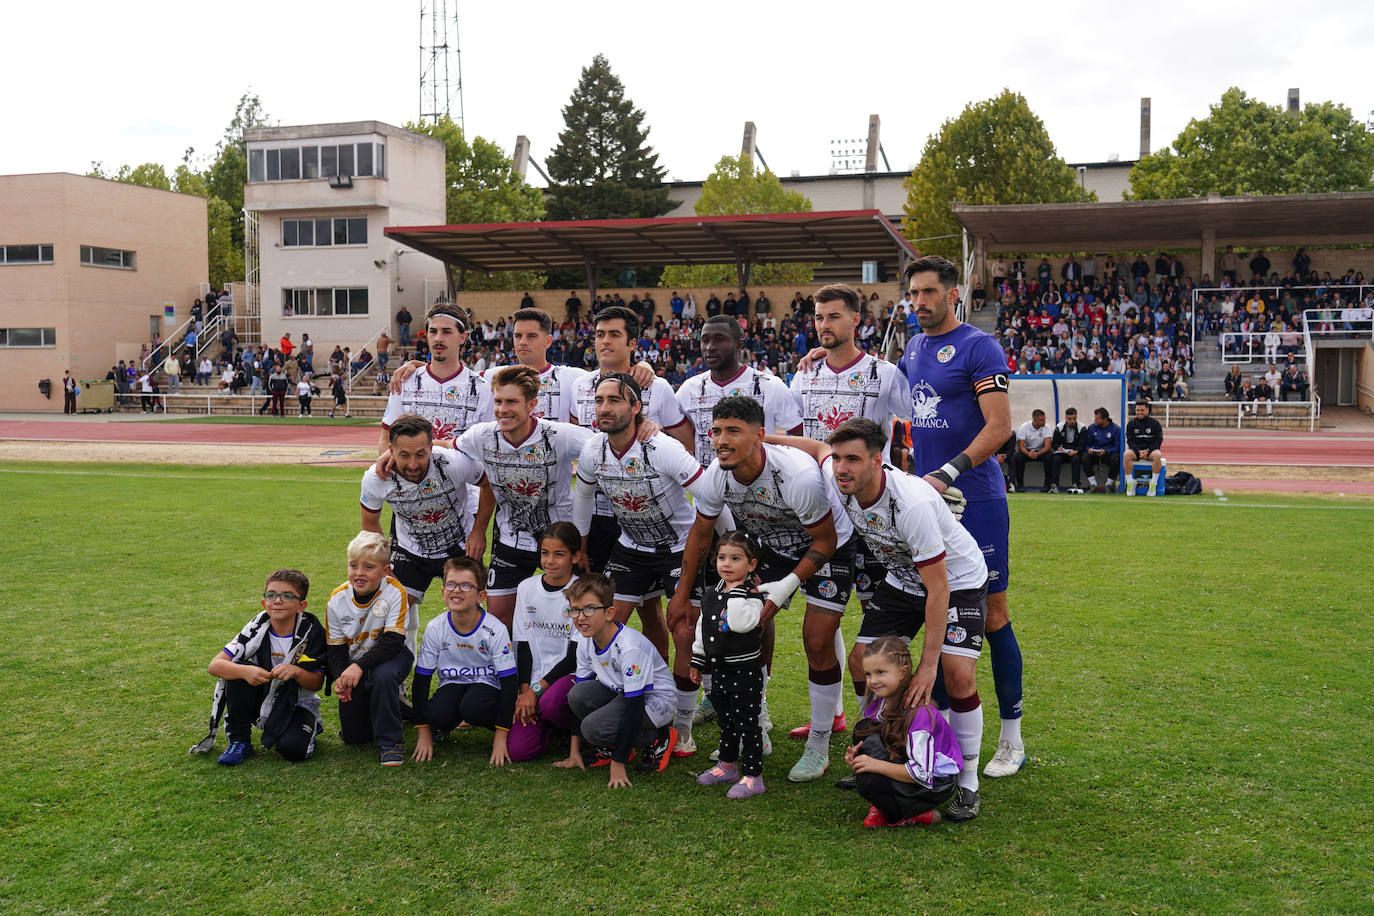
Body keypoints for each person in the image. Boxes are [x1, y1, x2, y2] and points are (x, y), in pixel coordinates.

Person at [778, 418, 988, 817]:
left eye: (853, 459)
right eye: (839, 458)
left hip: (955, 580)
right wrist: (762, 437)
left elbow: (939, 589)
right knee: (861, 661)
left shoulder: (912, 504)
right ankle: (882, 746)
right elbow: (815, 448)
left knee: (957, 673)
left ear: (878, 462)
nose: (842, 467)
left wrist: (927, 669)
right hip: (904, 579)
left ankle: (968, 780)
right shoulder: (840, 476)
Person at [668, 395, 855, 783]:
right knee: (744, 622)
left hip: (826, 543)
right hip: (771, 544)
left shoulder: (796, 476)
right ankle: (758, 720)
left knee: (817, 638)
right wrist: (682, 594)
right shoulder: (717, 474)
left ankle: (818, 745)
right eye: (716, 430)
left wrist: (784, 587)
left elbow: (824, 540)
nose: (721, 439)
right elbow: (701, 533)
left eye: (733, 431)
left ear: (759, 436)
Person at [895, 255, 1024, 781]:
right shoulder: (912, 347)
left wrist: (947, 472)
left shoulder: (978, 346)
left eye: (929, 292)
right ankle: (948, 738)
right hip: (931, 505)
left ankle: (1012, 739)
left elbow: (999, 427)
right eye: (913, 294)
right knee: (941, 616)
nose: (919, 302)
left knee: (993, 617)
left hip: (976, 500)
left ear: (953, 295)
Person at [573, 373, 711, 756]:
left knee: (684, 631)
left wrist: (725, 546)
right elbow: (582, 496)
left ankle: (680, 727)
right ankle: (628, 703)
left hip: (678, 547)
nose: (604, 408)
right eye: (599, 401)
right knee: (602, 620)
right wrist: (581, 544)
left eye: (614, 401)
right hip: (631, 546)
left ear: (636, 408)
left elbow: (709, 494)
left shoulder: (662, 447)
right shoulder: (592, 449)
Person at [455, 365, 593, 630]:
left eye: (511, 402)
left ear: (531, 404)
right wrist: (395, 452)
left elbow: (605, 446)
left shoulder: (560, 435)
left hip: (560, 539)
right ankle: (509, 671)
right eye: (498, 401)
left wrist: (646, 428)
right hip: (511, 538)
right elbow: (447, 447)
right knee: (497, 619)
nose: (502, 409)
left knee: (573, 617)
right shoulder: (482, 436)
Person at [570, 306, 694, 574]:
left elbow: (688, 443)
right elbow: (575, 435)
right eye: (600, 334)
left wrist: (657, 431)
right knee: (592, 598)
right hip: (595, 513)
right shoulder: (579, 385)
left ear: (632, 343)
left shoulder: (656, 386)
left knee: (647, 606)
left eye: (614, 334)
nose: (605, 341)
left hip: (643, 512)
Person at [554, 573, 679, 788]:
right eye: (575, 609)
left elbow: (634, 705)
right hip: (621, 693)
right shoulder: (586, 640)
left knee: (593, 729)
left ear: (610, 612)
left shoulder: (628, 647)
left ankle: (659, 736)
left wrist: (617, 763)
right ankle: (616, 745)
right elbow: (580, 699)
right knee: (576, 695)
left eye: (590, 609)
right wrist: (574, 753)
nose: (581, 617)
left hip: (653, 701)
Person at [362, 414, 482, 632]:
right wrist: (383, 563)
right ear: (391, 449)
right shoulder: (375, 478)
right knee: (393, 612)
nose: (413, 464)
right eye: (404, 455)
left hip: (459, 545)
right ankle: (402, 662)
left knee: (472, 610)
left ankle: (472, 662)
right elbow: (370, 525)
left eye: (421, 454)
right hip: (411, 549)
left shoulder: (452, 462)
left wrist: (479, 531)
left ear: (431, 447)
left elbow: (488, 484)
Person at [199, 569, 326, 766]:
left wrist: (296, 672)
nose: (277, 600)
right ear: (263, 603)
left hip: (297, 702)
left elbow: (316, 683)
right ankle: (239, 741)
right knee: (236, 669)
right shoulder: (256, 627)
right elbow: (215, 665)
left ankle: (308, 725)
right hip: (261, 694)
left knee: (293, 750)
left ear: (301, 606)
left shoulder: (311, 632)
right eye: (271, 595)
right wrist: (246, 671)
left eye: (287, 596)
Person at [410, 556, 517, 766]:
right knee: (437, 714)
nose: (456, 590)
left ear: (480, 596)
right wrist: (423, 732)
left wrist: (501, 737)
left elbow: (509, 684)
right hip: (453, 683)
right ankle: (443, 726)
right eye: (450, 584)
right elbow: (421, 681)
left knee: (473, 708)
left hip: (487, 686)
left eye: (466, 585)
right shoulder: (435, 628)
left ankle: (499, 725)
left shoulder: (495, 629)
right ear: (443, 592)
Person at [845, 637, 962, 828]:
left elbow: (922, 773)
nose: (873, 681)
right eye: (868, 674)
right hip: (913, 767)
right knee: (865, 731)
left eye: (880, 672)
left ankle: (910, 813)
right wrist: (858, 758)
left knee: (871, 774)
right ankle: (883, 806)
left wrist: (876, 764)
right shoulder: (878, 706)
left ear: (902, 672)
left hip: (936, 782)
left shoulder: (921, 714)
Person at [324, 532, 414, 766]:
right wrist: (341, 677)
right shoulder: (336, 599)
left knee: (382, 677)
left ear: (385, 571)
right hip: (355, 663)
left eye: (368, 567)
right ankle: (391, 707)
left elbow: (393, 641)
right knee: (355, 738)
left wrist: (358, 667)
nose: (359, 573)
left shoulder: (395, 591)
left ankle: (391, 742)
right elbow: (334, 650)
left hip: (392, 656)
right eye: (353, 565)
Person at [690, 531, 768, 799]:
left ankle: (752, 775)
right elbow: (704, 626)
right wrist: (698, 659)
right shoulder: (712, 594)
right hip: (720, 669)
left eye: (735, 558)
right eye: (722, 557)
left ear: (751, 565)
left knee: (748, 723)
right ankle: (727, 765)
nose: (726, 564)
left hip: (745, 671)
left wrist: (736, 593)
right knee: (726, 721)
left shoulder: (752, 596)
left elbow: (741, 624)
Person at [507, 523, 583, 763]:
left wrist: (536, 690)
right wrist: (524, 693)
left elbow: (574, 656)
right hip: (534, 684)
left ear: (576, 556)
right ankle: (554, 728)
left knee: (550, 703)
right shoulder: (526, 588)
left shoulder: (582, 590)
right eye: (544, 553)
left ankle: (579, 730)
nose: (550, 560)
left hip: (571, 676)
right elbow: (523, 644)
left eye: (559, 554)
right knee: (520, 752)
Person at [1123, 400, 1165, 496]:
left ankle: (1153, 484)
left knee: (1158, 455)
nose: (1139, 412)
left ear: (1147, 410)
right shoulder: (1131, 424)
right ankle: (1130, 483)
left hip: (1150, 451)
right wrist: (1138, 452)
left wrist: (1148, 451)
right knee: (1126, 454)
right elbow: (1130, 441)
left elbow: (1158, 441)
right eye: (1137, 410)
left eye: (1142, 410)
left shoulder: (1155, 424)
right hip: (1136, 451)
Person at [1012, 409, 1053, 493]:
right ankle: (1020, 485)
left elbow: (1047, 446)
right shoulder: (1024, 427)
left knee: (1049, 456)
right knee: (1018, 457)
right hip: (1028, 451)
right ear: (1034, 420)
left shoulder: (1047, 427)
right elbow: (1021, 446)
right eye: (1042, 420)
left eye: (1044, 419)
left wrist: (1037, 453)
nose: (1044, 422)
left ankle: (1047, 485)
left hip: (1041, 451)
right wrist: (1029, 453)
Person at [1084, 407, 1123, 492]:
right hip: (1095, 454)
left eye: (1097, 419)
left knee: (1116, 458)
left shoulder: (1116, 429)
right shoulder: (1091, 428)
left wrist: (1107, 451)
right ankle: (1093, 484)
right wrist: (1089, 449)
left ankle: (1109, 485)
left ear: (1105, 419)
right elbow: (1087, 444)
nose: (1095, 421)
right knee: (1085, 457)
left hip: (1108, 455)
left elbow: (1118, 447)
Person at [1050, 407, 1087, 494]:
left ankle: (1076, 484)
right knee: (1056, 459)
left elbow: (1083, 444)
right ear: (1066, 418)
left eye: (1074, 419)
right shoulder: (1059, 427)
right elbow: (1054, 443)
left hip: (1075, 452)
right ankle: (1054, 484)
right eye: (1069, 419)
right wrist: (1058, 448)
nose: (1072, 421)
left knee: (1076, 459)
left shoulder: (1082, 428)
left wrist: (1076, 451)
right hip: (1063, 452)